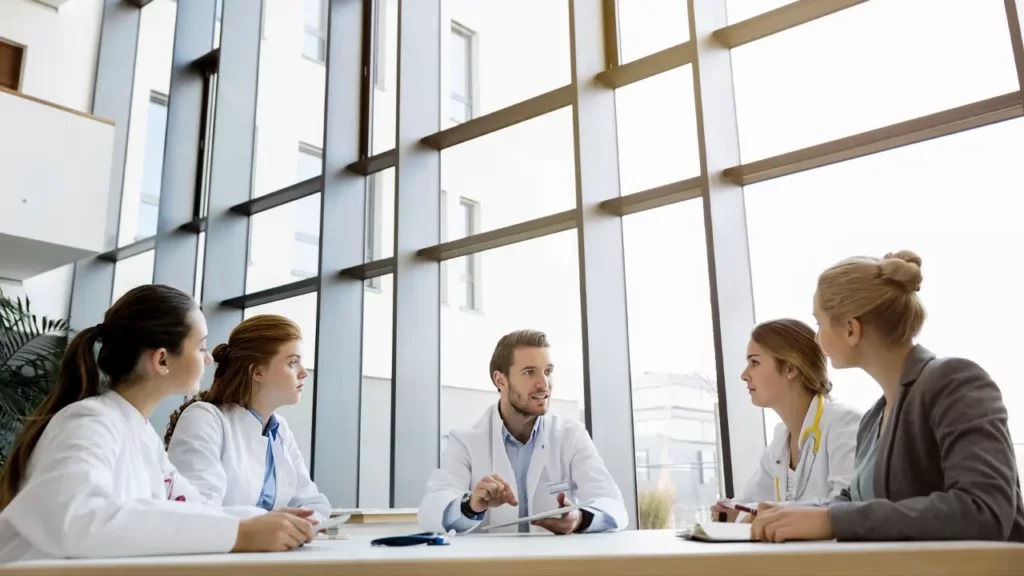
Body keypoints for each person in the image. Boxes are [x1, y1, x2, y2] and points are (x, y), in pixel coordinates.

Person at [0, 285, 316, 562]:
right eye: (201, 346)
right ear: (162, 360)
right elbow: (78, 520)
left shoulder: (140, 434)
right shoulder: (87, 423)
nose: (209, 358)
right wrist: (240, 531)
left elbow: (193, 508)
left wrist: (264, 522)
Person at [752, 251, 1024, 542]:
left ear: (851, 329)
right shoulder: (874, 417)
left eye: (819, 323)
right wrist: (790, 514)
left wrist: (830, 519)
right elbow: (853, 503)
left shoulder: (954, 382)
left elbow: (983, 510)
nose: (817, 339)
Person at [418, 329, 627, 535]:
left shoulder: (571, 436)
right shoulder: (464, 441)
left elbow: (612, 504)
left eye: (548, 372)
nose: (544, 384)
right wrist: (470, 506)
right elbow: (431, 511)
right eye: (529, 372)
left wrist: (579, 519)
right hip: (490, 567)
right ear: (500, 380)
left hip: (556, 566)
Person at [165, 314, 330, 523]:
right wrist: (270, 522)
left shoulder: (279, 429)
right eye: (293, 363)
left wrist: (301, 522)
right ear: (258, 372)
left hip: (272, 551)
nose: (303, 373)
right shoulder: (205, 418)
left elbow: (313, 502)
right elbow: (197, 510)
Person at [711, 319, 860, 522]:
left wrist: (758, 514)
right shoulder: (781, 439)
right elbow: (745, 505)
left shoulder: (844, 424)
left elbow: (847, 510)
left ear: (790, 368)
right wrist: (729, 511)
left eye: (754, 362)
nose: (744, 375)